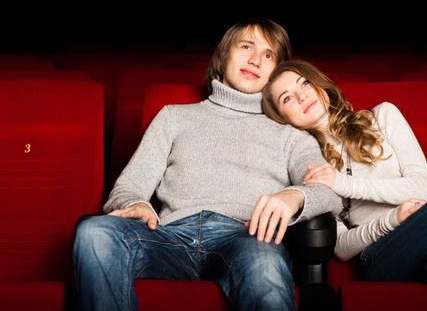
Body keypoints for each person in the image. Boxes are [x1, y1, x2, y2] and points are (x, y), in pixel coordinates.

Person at [73, 20, 343, 311]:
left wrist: (295, 196)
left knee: (265, 263)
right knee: (94, 232)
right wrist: (135, 202)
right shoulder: (173, 117)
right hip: (168, 237)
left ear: (274, 72)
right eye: (246, 47)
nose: (255, 60)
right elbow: (128, 187)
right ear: (225, 53)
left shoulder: (291, 135)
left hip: (246, 238)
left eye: (268, 55)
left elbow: (330, 193)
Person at [261, 59, 427, 311]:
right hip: (379, 257)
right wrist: (392, 219)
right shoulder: (307, 165)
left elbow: (422, 189)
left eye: (304, 83)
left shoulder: (382, 116)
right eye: (287, 98)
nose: (302, 96)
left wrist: (343, 183)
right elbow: (340, 247)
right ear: (281, 117)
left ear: (319, 84)